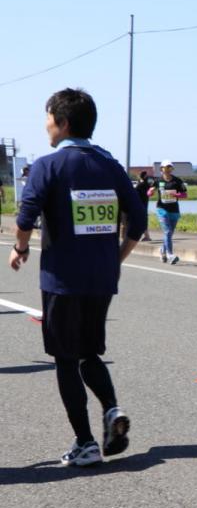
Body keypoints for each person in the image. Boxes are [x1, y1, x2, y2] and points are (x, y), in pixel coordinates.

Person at [10, 88, 145, 466]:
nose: (45, 125)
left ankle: (85, 442)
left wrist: (20, 248)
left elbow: (25, 216)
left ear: (63, 122)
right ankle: (112, 408)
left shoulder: (48, 166)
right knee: (89, 351)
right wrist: (116, 258)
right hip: (102, 277)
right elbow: (138, 220)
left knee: (65, 358)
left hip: (62, 279)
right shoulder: (110, 165)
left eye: (48, 118)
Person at [154, 159, 187, 264]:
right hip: (162, 209)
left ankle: (162, 250)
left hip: (174, 210)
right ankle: (170, 255)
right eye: (166, 167)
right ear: (161, 169)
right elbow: (150, 191)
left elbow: (185, 194)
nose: (168, 169)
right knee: (167, 232)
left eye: (170, 167)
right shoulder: (158, 181)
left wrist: (176, 195)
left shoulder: (177, 181)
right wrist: (150, 192)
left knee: (169, 233)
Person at [134, 169, 155, 241]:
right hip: (145, 203)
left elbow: (134, 193)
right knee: (143, 220)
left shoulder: (140, 185)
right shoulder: (147, 184)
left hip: (140, 205)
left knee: (140, 220)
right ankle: (146, 236)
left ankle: (146, 236)